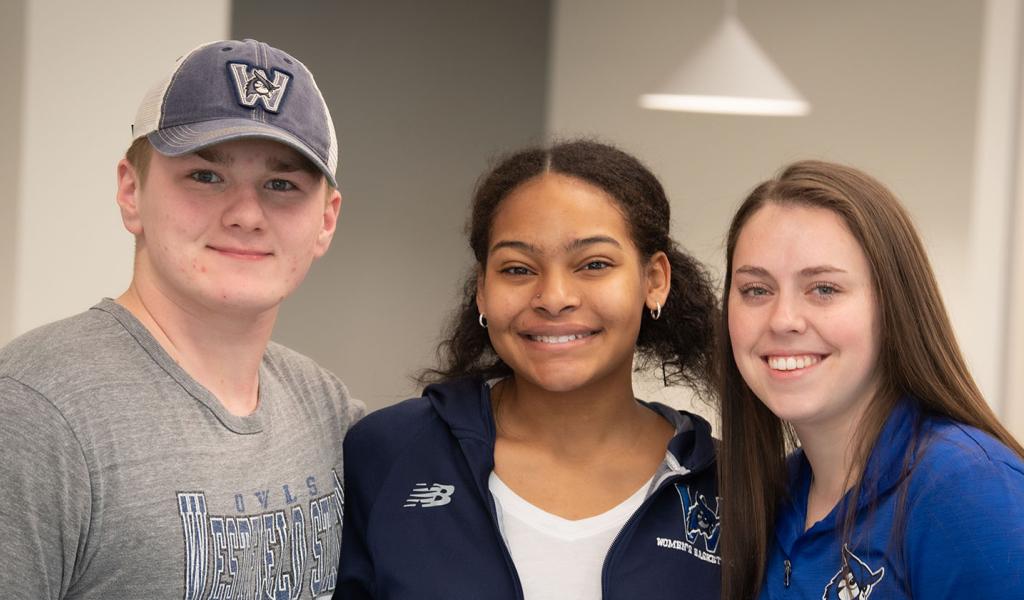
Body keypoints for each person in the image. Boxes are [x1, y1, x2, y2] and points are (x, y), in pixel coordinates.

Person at [0, 39, 364, 598]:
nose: (246, 214)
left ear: (326, 220)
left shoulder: (326, 409)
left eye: (281, 185)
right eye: (205, 176)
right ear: (131, 191)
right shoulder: (32, 414)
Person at [335, 140, 721, 599]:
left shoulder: (732, 486)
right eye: (518, 269)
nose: (554, 297)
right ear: (481, 290)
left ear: (654, 280)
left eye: (594, 264)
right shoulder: (388, 453)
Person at [716, 160, 1024, 599]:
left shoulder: (967, 488)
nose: (783, 319)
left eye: (824, 289)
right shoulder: (772, 497)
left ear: (893, 307)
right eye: (756, 290)